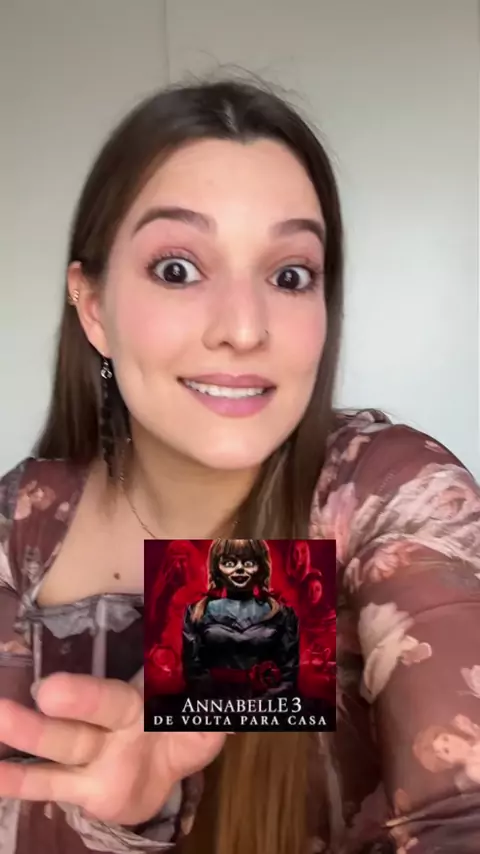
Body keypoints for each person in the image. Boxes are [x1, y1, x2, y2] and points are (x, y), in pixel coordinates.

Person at [0, 77, 478, 854]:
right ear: (93, 309)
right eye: (178, 269)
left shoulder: (383, 492)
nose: (245, 328)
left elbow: (460, 819)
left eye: (289, 276)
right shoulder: (22, 523)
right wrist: (119, 819)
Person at [181, 537, 299, 698]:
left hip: (267, 706)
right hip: (214, 705)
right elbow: (193, 672)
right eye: (229, 563)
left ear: (261, 567)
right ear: (216, 569)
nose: (239, 569)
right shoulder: (197, 612)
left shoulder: (282, 614)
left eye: (249, 563)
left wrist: (265, 702)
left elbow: (289, 673)